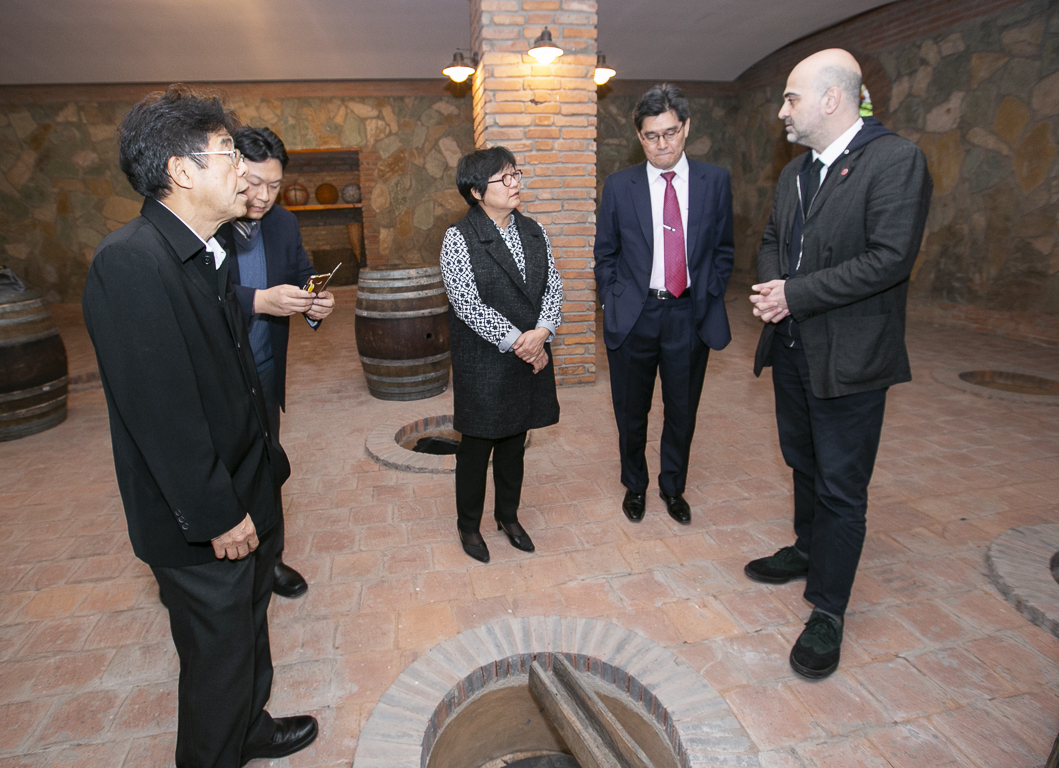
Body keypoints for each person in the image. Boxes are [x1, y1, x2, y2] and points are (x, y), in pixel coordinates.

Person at [82, 86, 318, 767]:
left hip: (247, 484)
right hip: (204, 519)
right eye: (227, 154)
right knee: (216, 659)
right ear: (181, 171)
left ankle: (251, 728)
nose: (244, 170)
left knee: (246, 630)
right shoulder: (131, 261)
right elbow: (162, 413)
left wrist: (262, 474)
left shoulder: (202, 249)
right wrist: (218, 513)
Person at [746, 49, 933, 679]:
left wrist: (793, 294)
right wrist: (773, 289)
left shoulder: (896, 160)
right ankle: (807, 547)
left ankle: (828, 609)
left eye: (791, 98)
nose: (783, 111)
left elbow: (889, 259)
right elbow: (772, 240)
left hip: (851, 359)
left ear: (831, 99)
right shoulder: (795, 174)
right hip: (792, 349)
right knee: (802, 461)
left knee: (841, 486)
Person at [594, 83, 734, 526]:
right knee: (631, 411)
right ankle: (635, 485)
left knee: (682, 410)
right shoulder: (620, 186)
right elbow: (605, 253)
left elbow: (724, 248)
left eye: (670, 133)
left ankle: (673, 487)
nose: (662, 144)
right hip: (634, 316)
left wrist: (709, 292)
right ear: (640, 136)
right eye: (651, 136)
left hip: (689, 315)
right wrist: (613, 299)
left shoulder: (715, 181)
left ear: (686, 127)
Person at [218, 126, 336, 600]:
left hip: (264, 370)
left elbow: (303, 274)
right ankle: (214, 571)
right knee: (219, 474)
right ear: (231, 172)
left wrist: (316, 304)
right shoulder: (209, 221)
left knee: (267, 468)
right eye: (253, 184)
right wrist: (259, 301)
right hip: (219, 374)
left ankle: (271, 561)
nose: (264, 197)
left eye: (274, 185)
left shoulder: (283, 223)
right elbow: (199, 295)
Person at [440, 146, 563, 563]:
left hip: (528, 351)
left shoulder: (534, 230)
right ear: (477, 191)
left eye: (516, 174)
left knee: (514, 442)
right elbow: (466, 303)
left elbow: (553, 286)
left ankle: (507, 516)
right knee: (476, 449)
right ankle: (468, 525)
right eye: (504, 178)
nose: (515, 184)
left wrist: (542, 332)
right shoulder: (460, 236)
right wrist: (522, 342)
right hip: (484, 361)